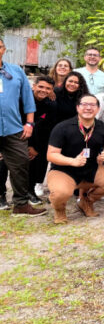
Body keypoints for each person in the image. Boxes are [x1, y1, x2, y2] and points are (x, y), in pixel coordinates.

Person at [46, 94, 104, 222]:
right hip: (63, 170)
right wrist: (72, 161)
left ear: (98, 109)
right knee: (60, 193)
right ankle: (60, 211)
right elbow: (51, 155)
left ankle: (86, 202)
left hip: (91, 169)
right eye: (84, 104)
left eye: (92, 105)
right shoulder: (62, 127)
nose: (88, 108)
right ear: (77, 107)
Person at [0, 37, 45, 217]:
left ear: (4, 49)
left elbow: (27, 98)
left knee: (21, 164)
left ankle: (20, 205)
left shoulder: (16, 71)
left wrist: (29, 123)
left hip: (13, 128)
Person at [27, 76, 57, 202]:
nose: (44, 90)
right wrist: (29, 145)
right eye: (41, 87)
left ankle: (31, 190)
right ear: (34, 86)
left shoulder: (51, 105)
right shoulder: (23, 99)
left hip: (39, 139)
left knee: (39, 159)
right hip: (19, 136)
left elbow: (46, 128)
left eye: (48, 88)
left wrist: (36, 148)